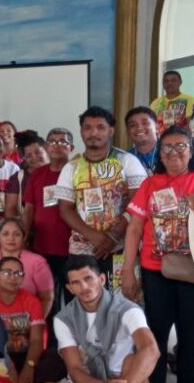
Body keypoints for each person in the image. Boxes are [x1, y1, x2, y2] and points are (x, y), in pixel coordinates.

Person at [123, 127, 194, 383]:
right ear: (160, 153)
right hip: (154, 267)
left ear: (191, 151)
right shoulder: (150, 184)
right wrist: (128, 270)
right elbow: (134, 229)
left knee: (191, 324)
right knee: (155, 325)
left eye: (181, 146)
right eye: (167, 147)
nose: (173, 153)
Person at [56, 107, 147, 280]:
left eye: (100, 127)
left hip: (123, 248)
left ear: (111, 131)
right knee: (85, 295)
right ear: (81, 132)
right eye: (88, 128)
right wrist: (95, 237)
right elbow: (65, 209)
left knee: (124, 295)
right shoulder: (71, 167)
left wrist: (114, 236)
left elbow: (138, 202)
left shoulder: (127, 161)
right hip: (82, 251)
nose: (93, 133)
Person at [0, 256, 66, 383]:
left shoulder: (31, 301)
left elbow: (36, 340)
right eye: (7, 272)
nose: (13, 277)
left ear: (23, 278)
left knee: (59, 358)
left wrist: (29, 367)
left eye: (18, 273)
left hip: (24, 356)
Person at [23, 128, 75, 313]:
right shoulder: (37, 174)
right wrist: (23, 239)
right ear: (46, 146)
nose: (56, 145)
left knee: (74, 298)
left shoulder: (78, 172)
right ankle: (51, 331)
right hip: (43, 248)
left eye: (62, 142)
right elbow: (29, 210)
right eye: (52, 141)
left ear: (71, 147)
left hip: (73, 249)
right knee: (48, 299)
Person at [0, 217, 54, 313]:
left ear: (24, 237)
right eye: (5, 234)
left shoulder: (38, 262)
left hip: (27, 317)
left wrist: (36, 320)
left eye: (17, 234)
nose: (11, 238)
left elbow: (46, 298)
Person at [150, 69, 194, 134]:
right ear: (163, 84)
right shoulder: (155, 103)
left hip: (181, 137)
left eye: (173, 80)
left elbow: (193, 123)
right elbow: (151, 123)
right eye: (166, 81)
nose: (169, 83)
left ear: (180, 82)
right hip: (160, 138)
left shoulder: (189, 100)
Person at [125, 106, 160, 174]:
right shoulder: (125, 159)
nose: (139, 128)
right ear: (128, 132)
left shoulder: (170, 153)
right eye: (133, 125)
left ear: (156, 127)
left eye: (145, 123)